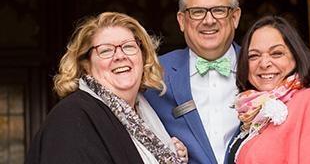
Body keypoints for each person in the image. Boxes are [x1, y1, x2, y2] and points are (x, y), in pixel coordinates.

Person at [25, 12, 188, 164]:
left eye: (129, 47)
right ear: (86, 65)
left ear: (143, 55)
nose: (120, 56)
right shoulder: (71, 117)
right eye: (106, 50)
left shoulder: (143, 113)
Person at [228, 15, 310, 163]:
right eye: (253, 56)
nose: (264, 63)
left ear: (296, 56)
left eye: (277, 53)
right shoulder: (253, 110)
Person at [144, 0, 242, 164]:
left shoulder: (262, 67)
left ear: (235, 17)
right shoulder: (154, 73)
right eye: (197, 12)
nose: (209, 20)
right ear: (181, 20)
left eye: (219, 10)